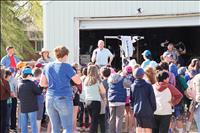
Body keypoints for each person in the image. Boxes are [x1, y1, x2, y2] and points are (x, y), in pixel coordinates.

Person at [39, 46, 81, 133]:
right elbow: (78, 81)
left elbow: (42, 83)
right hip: (64, 97)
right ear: (65, 55)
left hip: (50, 98)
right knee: (67, 127)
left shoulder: (48, 66)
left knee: (55, 128)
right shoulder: (67, 66)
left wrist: (52, 84)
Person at [131, 67, 156, 133]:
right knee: (148, 128)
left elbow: (132, 99)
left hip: (137, 110)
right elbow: (152, 99)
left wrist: (133, 108)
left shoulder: (132, 86)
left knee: (138, 127)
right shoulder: (148, 86)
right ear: (143, 75)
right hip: (147, 110)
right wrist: (153, 109)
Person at [18, 67, 43, 133]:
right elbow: (39, 92)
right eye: (31, 75)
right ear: (28, 75)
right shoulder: (31, 84)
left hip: (23, 108)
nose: (32, 77)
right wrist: (41, 85)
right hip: (32, 108)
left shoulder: (19, 84)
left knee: (24, 125)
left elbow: (18, 96)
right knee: (33, 125)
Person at [84, 65, 106, 133]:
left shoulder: (86, 80)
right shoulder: (97, 80)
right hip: (96, 102)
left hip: (87, 101)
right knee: (95, 120)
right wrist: (104, 98)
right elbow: (103, 91)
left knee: (92, 119)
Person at [0, 68, 11, 133]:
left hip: (3, 101)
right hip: (3, 102)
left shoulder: (4, 82)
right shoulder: (5, 82)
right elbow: (9, 93)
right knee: (3, 119)